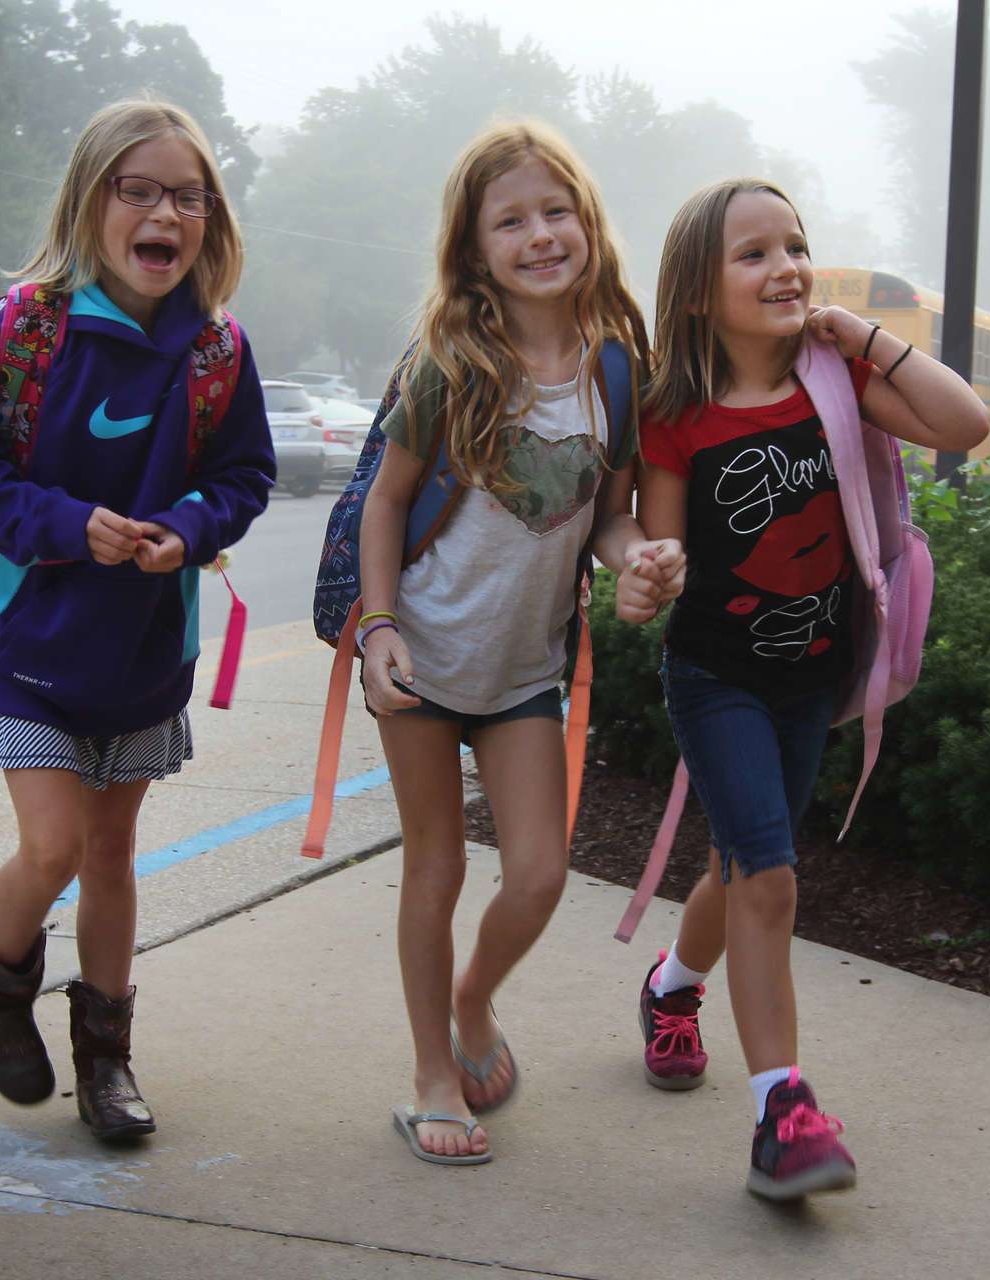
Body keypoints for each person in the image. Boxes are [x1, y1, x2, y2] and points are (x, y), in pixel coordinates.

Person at [0, 100, 275, 1141]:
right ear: (92, 200)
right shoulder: (29, 331)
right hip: (29, 642)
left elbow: (244, 474)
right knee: (56, 844)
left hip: (147, 651)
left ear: (209, 220)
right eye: (140, 189)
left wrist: (189, 524)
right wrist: (70, 525)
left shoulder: (216, 350)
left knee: (113, 851)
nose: (165, 211)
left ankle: (107, 1057)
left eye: (188, 196)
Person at [627, 178, 988, 1199]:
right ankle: (782, 1113)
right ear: (699, 289)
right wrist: (650, 572)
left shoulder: (832, 377)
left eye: (795, 245)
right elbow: (658, 544)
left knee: (743, 865)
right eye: (753, 253)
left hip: (815, 675)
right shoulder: (675, 413)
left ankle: (671, 986)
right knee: (771, 878)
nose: (785, 266)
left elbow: (965, 426)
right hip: (718, 675)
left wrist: (864, 333)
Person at [357, 121, 684, 1166]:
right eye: (512, 220)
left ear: (587, 223)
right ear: (474, 246)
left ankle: (473, 996)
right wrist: (374, 631)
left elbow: (607, 516)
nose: (540, 235)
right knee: (439, 867)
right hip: (421, 656)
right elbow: (383, 504)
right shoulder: (455, 364)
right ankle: (429, 1073)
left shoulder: (618, 368)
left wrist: (638, 558)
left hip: (525, 674)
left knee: (539, 874)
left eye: (557, 211)